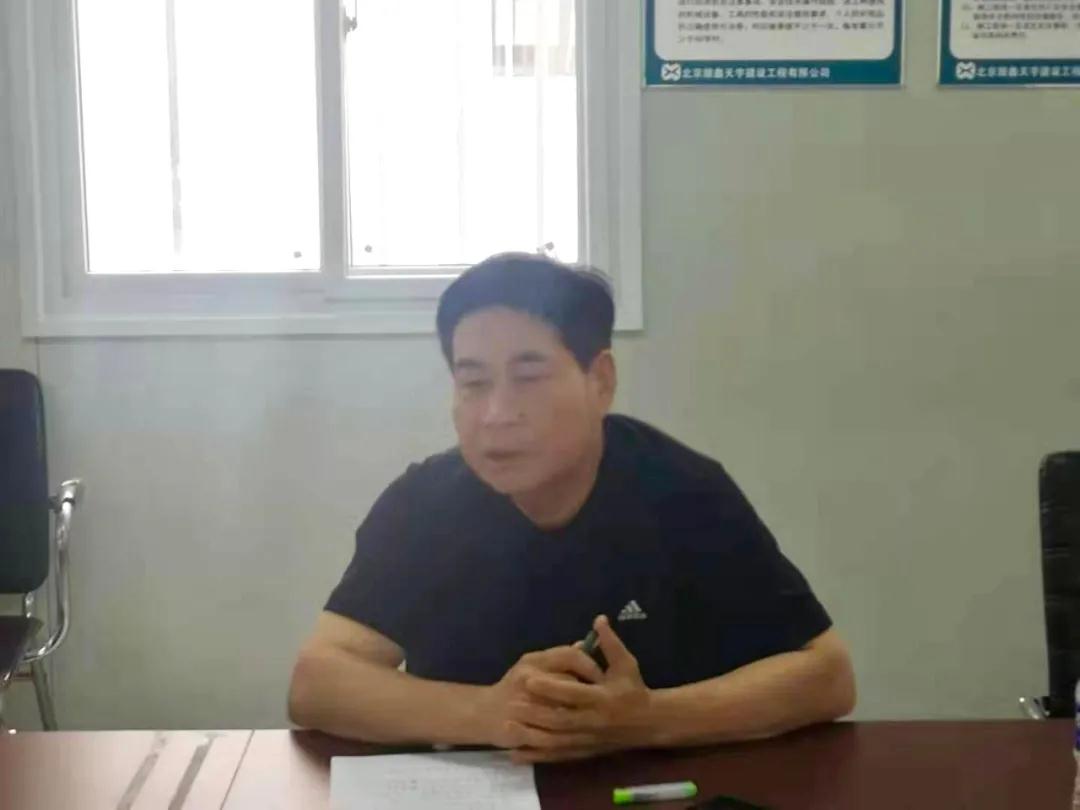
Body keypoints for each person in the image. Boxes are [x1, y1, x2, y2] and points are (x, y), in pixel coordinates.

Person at [288, 253, 855, 763]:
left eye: (529, 378)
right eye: (474, 383)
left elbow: (826, 675)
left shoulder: (684, 491)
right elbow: (317, 684)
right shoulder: (423, 505)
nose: (497, 414)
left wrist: (648, 720)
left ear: (600, 381)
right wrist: (491, 713)